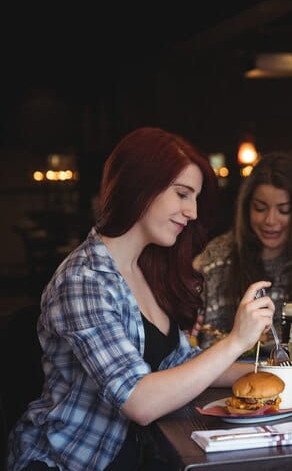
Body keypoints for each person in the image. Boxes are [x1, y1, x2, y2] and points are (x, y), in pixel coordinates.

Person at [7, 128, 275, 471]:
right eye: (182, 194)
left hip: (144, 455)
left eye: (194, 198)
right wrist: (238, 340)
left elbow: (184, 364)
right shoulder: (83, 280)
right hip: (73, 462)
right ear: (141, 187)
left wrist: (274, 370)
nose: (191, 211)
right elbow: (139, 401)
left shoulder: (147, 269)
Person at [193, 152, 292, 343]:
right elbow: (194, 340)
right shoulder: (215, 257)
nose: (270, 220)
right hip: (230, 371)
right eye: (260, 208)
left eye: (283, 210)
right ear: (246, 207)